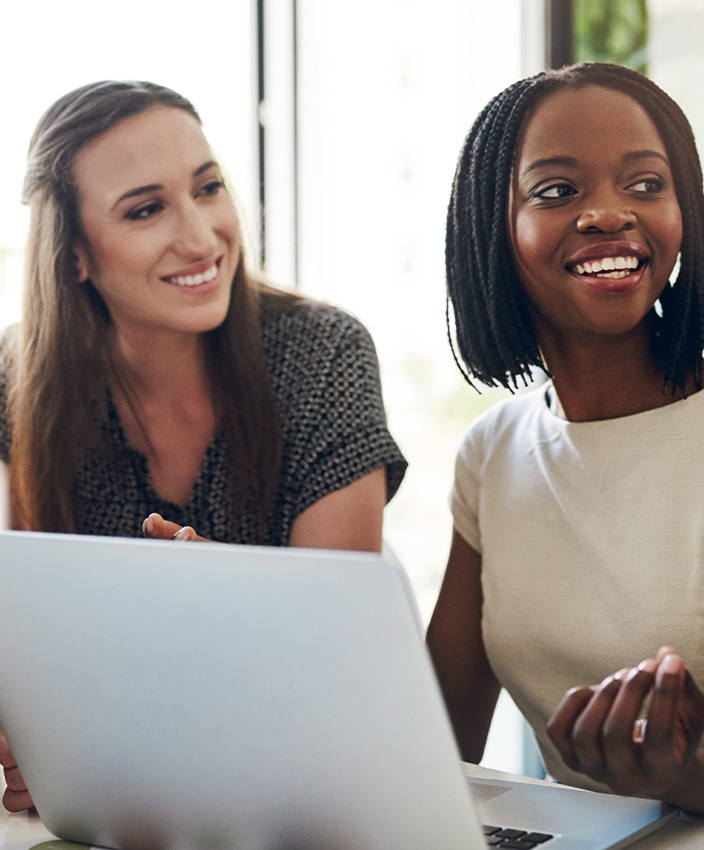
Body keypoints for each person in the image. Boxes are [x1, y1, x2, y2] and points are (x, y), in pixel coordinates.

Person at [426, 63, 704, 844]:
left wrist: (678, 774)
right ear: (491, 230)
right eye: (558, 191)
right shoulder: (492, 455)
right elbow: (431, 742)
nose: (608, 213)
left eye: (644, 183)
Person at [0, 80, 407, 812]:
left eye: (208, 187)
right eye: (146, 209)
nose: (200, 235)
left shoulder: (324, 355)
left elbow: (335, 666)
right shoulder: (16, 380)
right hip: (113, 812)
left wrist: (233, 612)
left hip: (300, 803)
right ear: (73, 258)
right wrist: (41, 742)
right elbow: (23, 656)